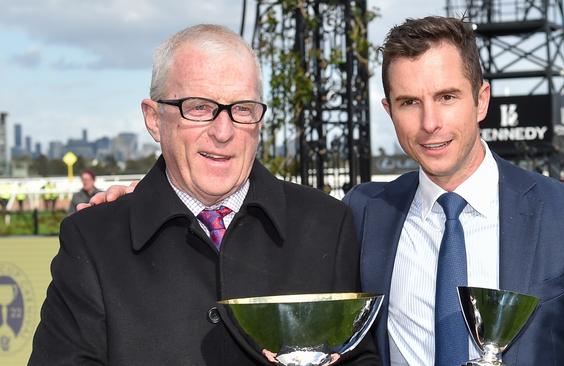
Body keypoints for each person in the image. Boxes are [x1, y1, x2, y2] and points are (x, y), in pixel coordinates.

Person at [29, 24, 378, 366]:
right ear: (154, 119)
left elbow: (360, 355)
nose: (223, 132)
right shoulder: (93, 240)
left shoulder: (327, 225)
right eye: (199, 107)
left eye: (242, 108)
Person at [342, 16, 564, 365]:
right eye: (409, 102)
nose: (429, 123)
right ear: (389, 110)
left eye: (446, 97)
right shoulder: (365, 211)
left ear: (481, 99)